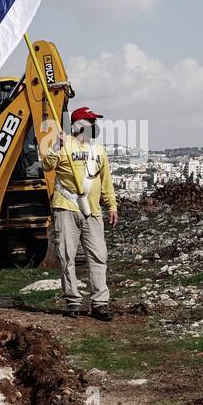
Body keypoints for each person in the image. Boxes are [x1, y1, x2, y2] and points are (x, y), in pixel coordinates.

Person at [42, 106, 117, 320]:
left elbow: (106, 182)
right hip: (66, 207)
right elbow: (47, 165)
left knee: (98, 256)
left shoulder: (98, 151)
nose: (94, 125)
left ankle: (100, 303)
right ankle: (72, 301)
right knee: (67, 256)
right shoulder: (63, 145)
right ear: (78, 125)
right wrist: (57, 146)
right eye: (90, 121)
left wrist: (111, 206)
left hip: (92, 211)